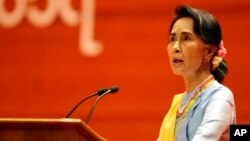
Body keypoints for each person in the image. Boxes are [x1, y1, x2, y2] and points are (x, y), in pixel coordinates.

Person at [157, 5, 236, 141]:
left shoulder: (220, 97)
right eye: (172, 39)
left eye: (186, 38)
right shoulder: (179, 103)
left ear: (209, 52)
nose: (175, 47)